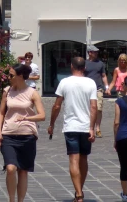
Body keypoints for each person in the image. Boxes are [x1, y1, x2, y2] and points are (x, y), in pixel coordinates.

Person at [47, 56, 97, 202]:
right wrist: (92, 128)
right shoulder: (91, 83)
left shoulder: (64, 82)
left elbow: (57, 106)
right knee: (84, 158)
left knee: (73, 159)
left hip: (71, 126)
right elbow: (94, 106)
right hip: (85, 126)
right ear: (85, 68)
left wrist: (52, 124)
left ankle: (79, 194)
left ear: (71, 66)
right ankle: (79, 190)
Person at [0, 63, 46, 202]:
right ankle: (12, 199)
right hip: (8, 135)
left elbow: (42, 115)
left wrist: (27, 118)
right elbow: (1, 113)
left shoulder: (32, 93)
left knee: (23, 171)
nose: (8, 77)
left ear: (20, 76)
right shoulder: (7, 91)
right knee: (11, 168)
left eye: (11, 75)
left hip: (27, 136)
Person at [84, 45, 109, 138]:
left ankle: (97, 128)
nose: (97, 53)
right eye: (95, 52)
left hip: (98, 88)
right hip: (86, 89)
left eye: (97, 52)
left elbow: (103, 76)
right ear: (90, 53)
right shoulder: (84, 63)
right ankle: (89, 127)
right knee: (88, 109)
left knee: (98, 108)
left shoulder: (100, 64)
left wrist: (107, 87)